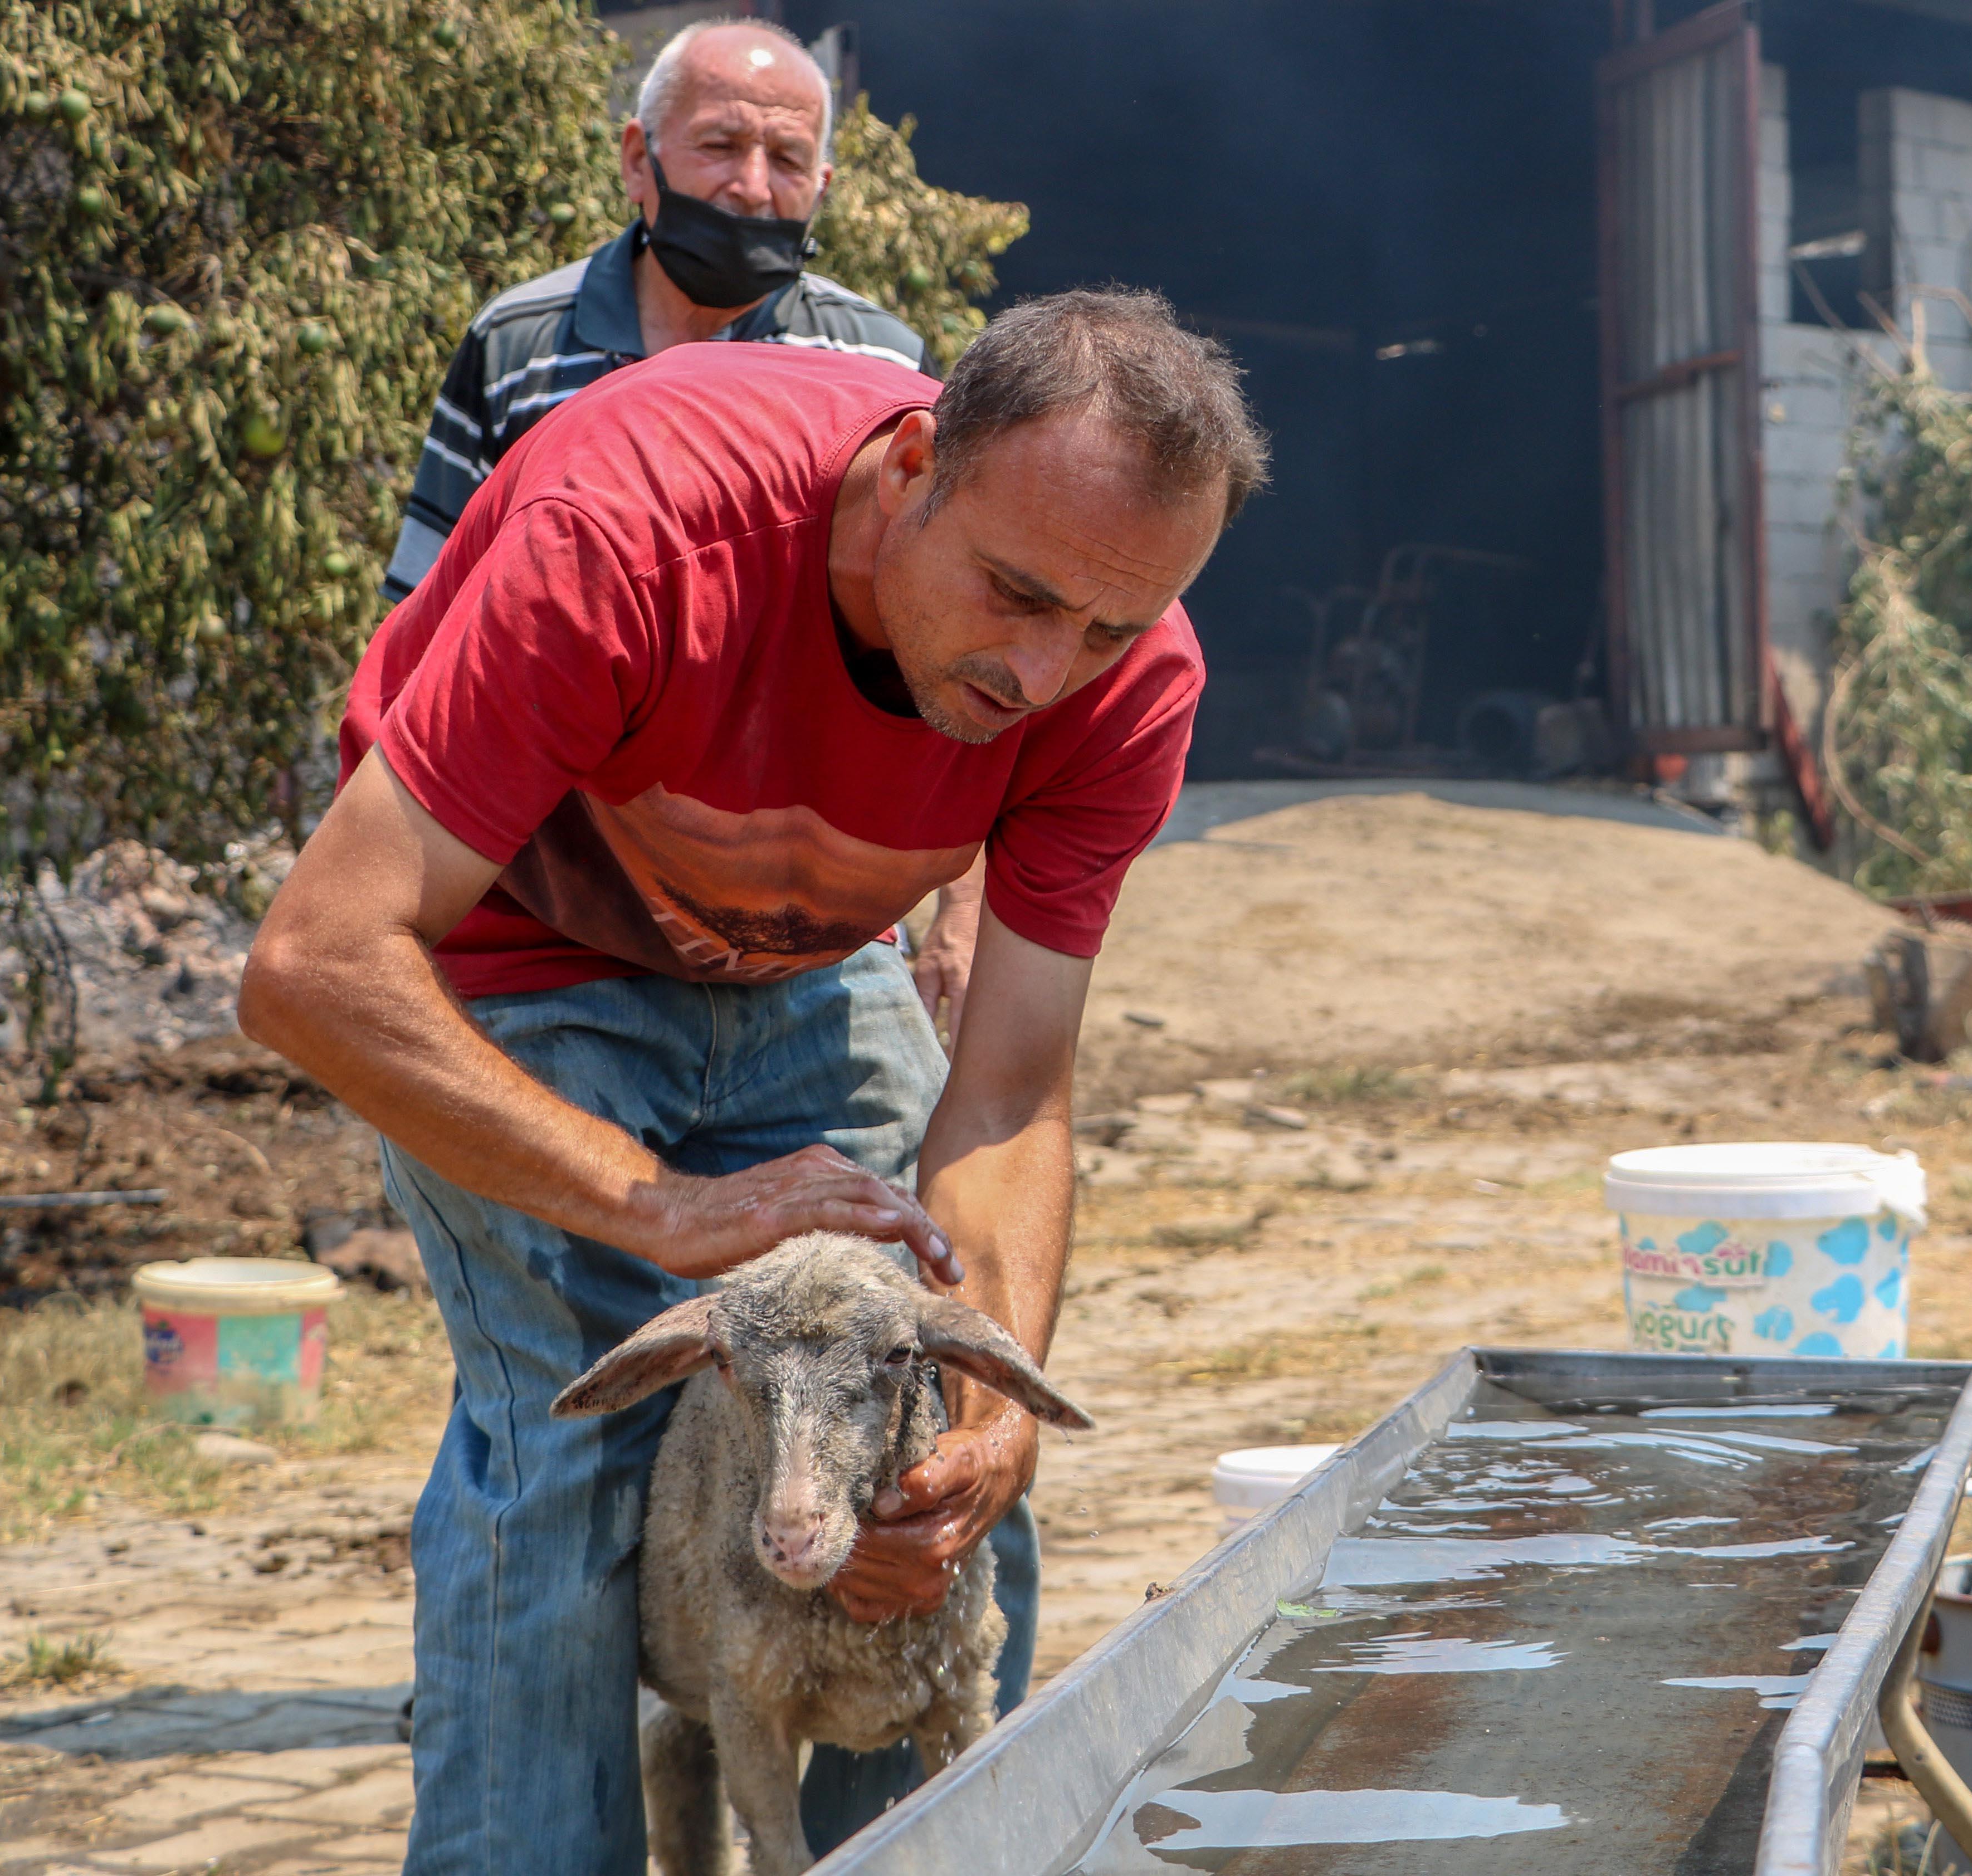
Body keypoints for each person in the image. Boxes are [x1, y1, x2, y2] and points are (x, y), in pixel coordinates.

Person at [240, 289, 1265, 1873]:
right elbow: (314, 966)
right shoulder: (637, 530)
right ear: (916, 463)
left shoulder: (1122, 680)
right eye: (1014, 593)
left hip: (803, 968)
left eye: (1108, 628)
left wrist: (990, 1424)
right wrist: (665, 1209)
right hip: (518, 956)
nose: (1045, 671)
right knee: (574, 1451)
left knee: (929, 1436)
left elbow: (1005, 1097)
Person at [384, 16, 985, 1025]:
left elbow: (944, 651)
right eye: (720, 145)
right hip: (560, 922)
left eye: (787, 158)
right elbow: (421, 629)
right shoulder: (518, 346)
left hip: (813, 925)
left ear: (822, 189)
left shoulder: (882, 367)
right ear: (638, 158)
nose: (752, 186)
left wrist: (959, 913)